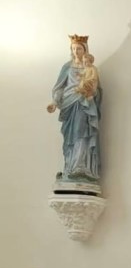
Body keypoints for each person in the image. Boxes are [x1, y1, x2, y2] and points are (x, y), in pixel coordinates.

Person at [47, 34, 102, 184]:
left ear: (85, 50)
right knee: (70, 136)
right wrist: (54, 102)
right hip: (69, 103)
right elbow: (59, 87)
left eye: (79, 48)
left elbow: (98, 90)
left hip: (84, 103)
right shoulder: (67, 67)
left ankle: (82, 166)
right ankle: (70, 167)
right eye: (74, 48)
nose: (77, 51)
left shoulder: (91, 68)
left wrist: (91, 92)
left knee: (82, 132)